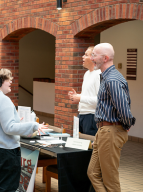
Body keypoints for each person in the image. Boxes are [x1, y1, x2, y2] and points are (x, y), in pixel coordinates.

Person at [0, 68, 48, 192]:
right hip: (5, 152)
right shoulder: (3, 99)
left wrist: (17, 120)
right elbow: (9, 128)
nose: (11, 81)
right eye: (8, 79)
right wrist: (34, 125)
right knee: (6, 188)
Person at [87, 43, 136, 192]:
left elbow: (124, 110)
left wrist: (126, 125)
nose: (91, 58)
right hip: (103, 131)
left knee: (110, 180)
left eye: (94, 55)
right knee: (93, 173)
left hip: (111, 131)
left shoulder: (112, 80)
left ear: (105, 58)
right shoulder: (105, 77)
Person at [68, 46, 101, 136]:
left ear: (93, 58)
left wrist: (81, 98)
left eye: (86, 55)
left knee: (90, 148)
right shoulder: (86, 74)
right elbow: (88, 95)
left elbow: (100, 100)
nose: (82, 57)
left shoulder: (99, 75)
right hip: (82, 115)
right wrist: (77, 96)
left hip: (91, 117)